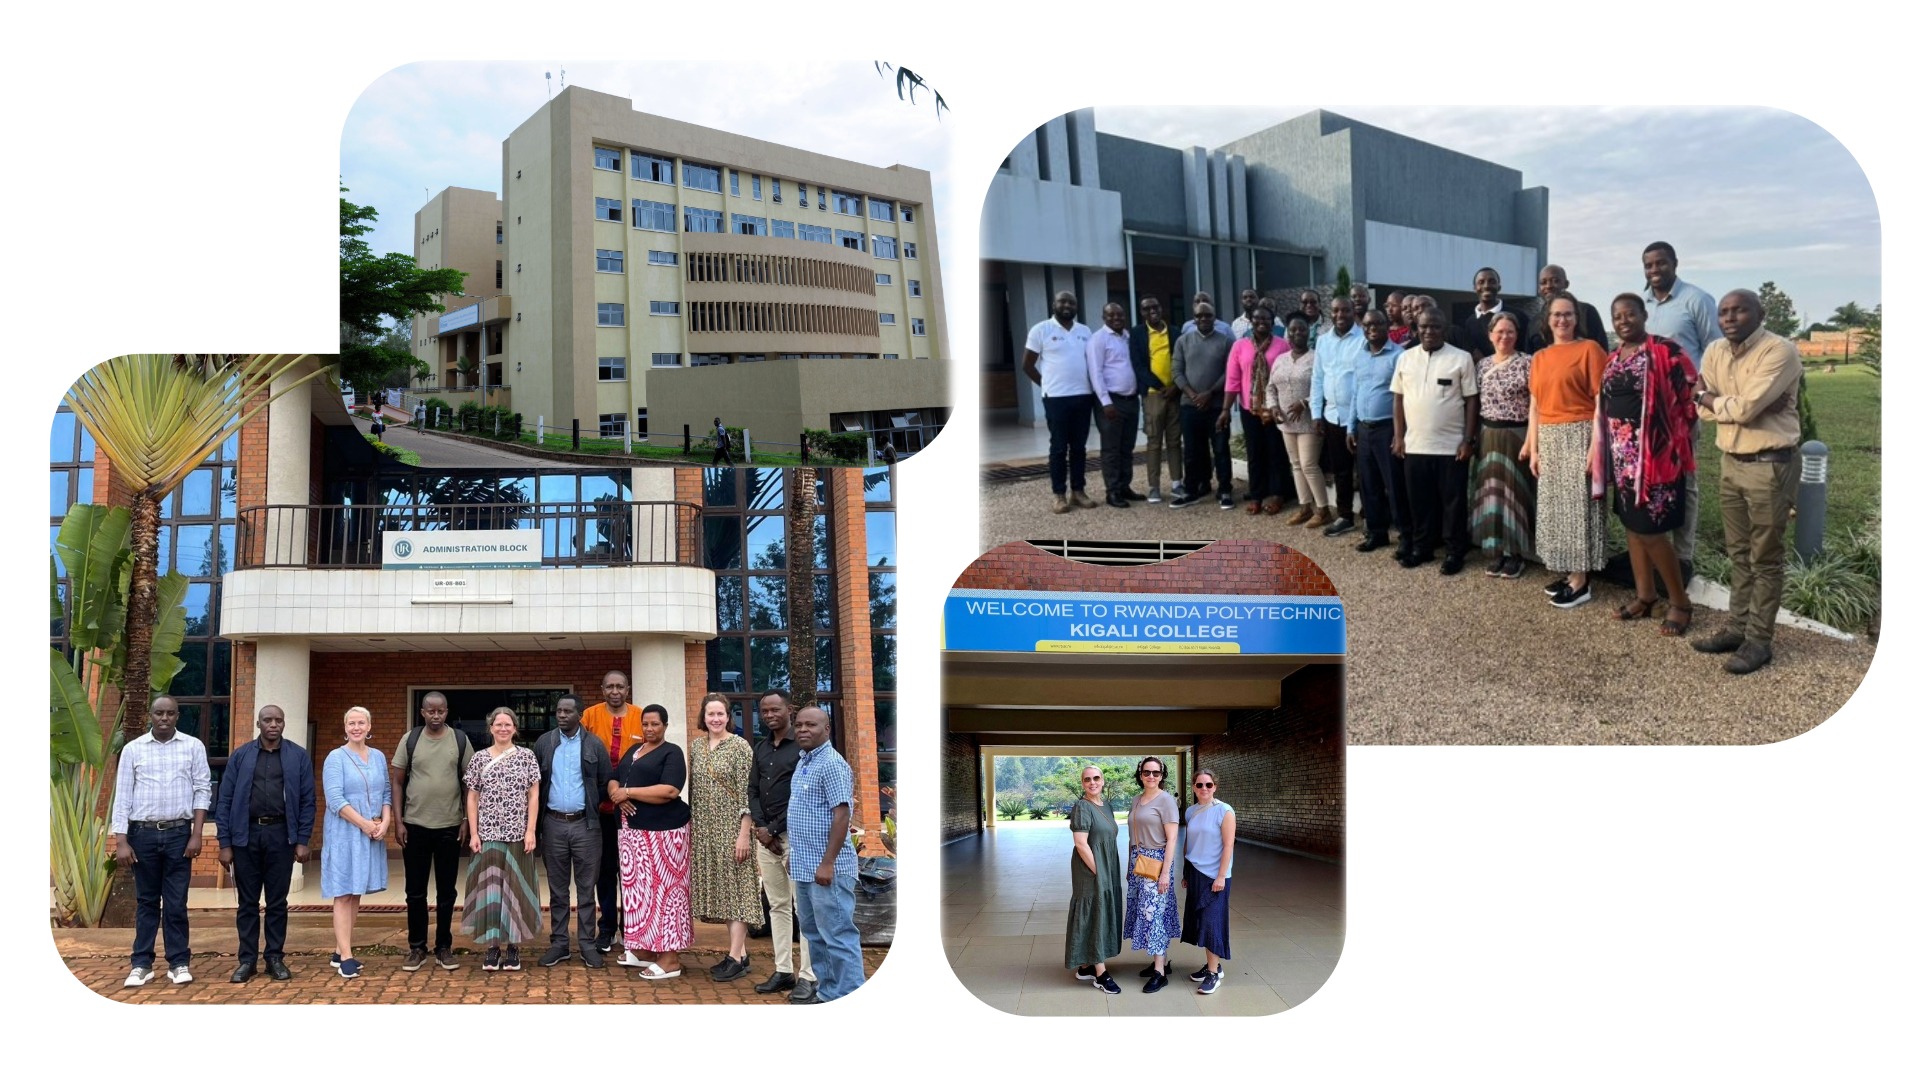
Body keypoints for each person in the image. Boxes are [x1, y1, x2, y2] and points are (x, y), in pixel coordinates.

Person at [1691, 288, 1804, 675]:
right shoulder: (1714, 352)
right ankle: (1737, 628)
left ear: (1761, 312)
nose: (1729, 317)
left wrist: (1721, 401)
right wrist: (1728, 405)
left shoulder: (1779, 351)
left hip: (1770, 466)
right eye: (1724, 312)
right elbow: (1707, 408)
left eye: (1739, 310)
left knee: (1765, 557)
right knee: (1738, 553)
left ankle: (1759, 641)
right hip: (1731, 462)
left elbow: (1742, 408)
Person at [1602, 293, 1698, 636]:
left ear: (1644, 315)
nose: (1624, 320)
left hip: (1656, 458)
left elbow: (1691, 392)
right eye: (1617, 316)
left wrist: (1671, 440)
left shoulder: (1665, 350)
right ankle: (1645, 596)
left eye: (1630, 314)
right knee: (1632, 526)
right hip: (1623, 458)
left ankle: (1680, 603)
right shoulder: (1613, 358)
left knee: (1653, 532)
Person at [111, 696, 212, 988]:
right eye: (159, 713)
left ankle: (179, 962)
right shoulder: (133, 750)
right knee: (146, 902)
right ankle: (141, 963)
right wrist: (121, 840)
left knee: (177, 903)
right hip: (142, 835)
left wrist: (196, 834)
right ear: (150, 715)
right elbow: (123, 796)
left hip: (180, 834)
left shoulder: (193, 746)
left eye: (170, 713)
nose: (164, 718)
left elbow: (202, 789)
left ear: (177, 716)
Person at [215, 704, 314, 983]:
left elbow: (308, 801)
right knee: (247, 903)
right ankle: (247, 960)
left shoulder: (298, 757)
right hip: (246, 837)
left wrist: (303, 840)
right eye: (267, 720)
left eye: (278, 720)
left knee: (277, 902)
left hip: (281, 837)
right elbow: (224, 801)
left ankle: (274, 958)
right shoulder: (241, 756)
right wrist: (225, 842)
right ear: (258, 724)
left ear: (284, 724)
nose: (273, 724)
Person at [1523, 293, 1611, 609]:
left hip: (1580, 433)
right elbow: (1534, 405)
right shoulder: (1540, 357)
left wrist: (1594, 447)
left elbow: (1601, 401)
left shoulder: (1590, 350)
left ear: (1577, 318)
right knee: (1556, 509)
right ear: (1548, 320)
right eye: (1557, 315)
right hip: (1548, 436)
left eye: (1569, 314)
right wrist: (1533, 449)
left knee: (1578, 510)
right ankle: (1569, 570)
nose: (1563, 320)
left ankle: (1581, 580)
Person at [1642, 241, 1723, 574]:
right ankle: (1654, 547)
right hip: (1647, 409)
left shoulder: (1697, 300)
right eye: (1648, 265)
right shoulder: (1642, 303)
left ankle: (1683, 554)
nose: (1654, 270)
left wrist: (1697, 392)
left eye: (1661, 263)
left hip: (1681, 410)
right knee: (1652, 476)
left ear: (1675, 263)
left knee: (1684, 479)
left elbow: (1714, 350)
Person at [390, 690, 471, 972]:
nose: (435, 716)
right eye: (430, 711)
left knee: (446, 892)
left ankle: (444, 947)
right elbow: (397, 782)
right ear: (422, 712)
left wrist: (466, 820)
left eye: (441, 711)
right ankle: (417, 948)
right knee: (415, 892)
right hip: (414, 827)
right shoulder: (410, 740)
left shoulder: (459, 740)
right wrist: (398, 822)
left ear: (447, 711)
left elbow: (469, 784)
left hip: (450, 826)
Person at [1393, 311, 1480, 574]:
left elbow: (1472, 400)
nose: (1429, 331)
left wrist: (1468, 439)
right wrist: (1398, 436)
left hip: (1451, 446)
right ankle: (1423, 548)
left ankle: (1455, 552)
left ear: (1444, 328)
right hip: (1415, 444)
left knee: (1452, 503)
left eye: (1435, 326)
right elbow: (1397, 398)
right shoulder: (1405, 358)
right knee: (1419, 501)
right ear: (1416, 329)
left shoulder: (1461, 358)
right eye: (1424, 327)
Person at [788, 705, 865, 1002]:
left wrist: (828, 862)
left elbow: (842, 815)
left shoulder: (832, 764)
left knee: (838, 935)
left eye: (811, 725)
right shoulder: (804, 761)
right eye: (799, 725)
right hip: (805, 867)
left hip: (827, 869)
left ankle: (849, 993)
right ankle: (829, 993)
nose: (803, 730)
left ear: (827, 729)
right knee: (814, 934)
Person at [610, 703, 693, 978]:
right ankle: (646, 949)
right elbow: (613, 779)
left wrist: (628, 792)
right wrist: (617, 794)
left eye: (655, 724)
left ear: (665, 726)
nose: (649, 728)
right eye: (645, 724)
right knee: (641, 896)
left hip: (665, 836)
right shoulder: (634, 751)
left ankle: (670, 959)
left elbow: (670, 790)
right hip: (634, 837)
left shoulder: (672, 752)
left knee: (667, 895)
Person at [748, 689, 818, 1002]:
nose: (770, 715)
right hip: (767, 839)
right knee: (777, 905)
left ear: (789, 709)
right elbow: (752, 790)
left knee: (803, 908)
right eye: (765, 711)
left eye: (775, 709)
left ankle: (809, 975)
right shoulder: (761, 748)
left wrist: (774, 830)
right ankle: (783, 969)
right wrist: (762, 830)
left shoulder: (801, 748)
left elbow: (800, 795)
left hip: (794, 838)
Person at [532, 694, 611, 968]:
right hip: (552, 824)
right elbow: (536, 783)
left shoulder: (594, 744)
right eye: (559, 711)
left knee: (587, 889)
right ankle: (560, 944)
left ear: (580, 715)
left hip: (586, 825)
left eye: (568, 711)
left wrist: (588, 806)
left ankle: (588, 944)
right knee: (558, 889)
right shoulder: (545, 743)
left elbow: (604, 781)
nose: (562, 715)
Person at [461, 706, 542, 972]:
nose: (503, 728)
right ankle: (492, 947)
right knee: (491, 891)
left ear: (515, 728)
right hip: (487, 835)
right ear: (491, 728)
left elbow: (533, 796)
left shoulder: (527, 757)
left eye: (508, 724)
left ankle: (513, 947)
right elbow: (472, 796)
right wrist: (474, 832)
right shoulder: (479, 758)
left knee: (515, 891)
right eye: (498, 724)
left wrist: (530, 830)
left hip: (517, 835)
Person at [690, 693, 765, 982]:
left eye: (720, 714)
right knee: (723, 892)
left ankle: (735, 956)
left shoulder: (740, 746)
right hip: (706, 830)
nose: (716, 719)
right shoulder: (697, 746)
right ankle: (740, 953)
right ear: (704, 717)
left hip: (733, 828)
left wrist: (744, 834)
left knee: (737, 892)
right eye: (711, 714)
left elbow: (748, 791)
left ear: (728, 716)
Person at [321, 706, 391, 980]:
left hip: (372, 830)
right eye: (351, 723)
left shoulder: (378, 757)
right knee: (343, 891)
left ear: (369, 726)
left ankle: (341, 949)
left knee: (357, 890)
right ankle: (346, 958)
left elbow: (386, 791)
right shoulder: (335, 758)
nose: (356, 727)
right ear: (345, 726)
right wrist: (364, 824)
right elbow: (335, 799)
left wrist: (385, 823)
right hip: (345, 832)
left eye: (361, 722)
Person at [1472, 311, 1537, 579]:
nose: (1504, 336)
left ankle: (1516, 553)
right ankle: (1495, 549)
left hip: (1517, 435)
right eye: (1499, 331)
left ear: (1517, 335)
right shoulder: (1483, 365)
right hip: (1488, 434)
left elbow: (1536, 404)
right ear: (1490, 335)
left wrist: (1532, 441)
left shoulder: (1527, 363)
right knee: (1492, 493)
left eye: (1510, 331)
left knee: (1515, 493)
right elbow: (1476, 404)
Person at [581, 670, 642, 953]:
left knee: (632, 872)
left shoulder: (641, 716)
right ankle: (606, 928)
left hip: (633, 809)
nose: (615, 691)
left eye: (620, 686)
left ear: (628, 689)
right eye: (610, 687)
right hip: (600, 809)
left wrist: (628, 794)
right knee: (604, 872)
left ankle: (632, 928)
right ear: (602, 689)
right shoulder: (590, 716)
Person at [1023, 290, 1098, 513]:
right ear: (1053, 304)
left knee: (1079, 447)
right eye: (1062, 301)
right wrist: (1046, 385)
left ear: (1076, 306)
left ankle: (1078, 491)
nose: (1067, 305)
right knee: (1058, 448)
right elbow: (1027, 365)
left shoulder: (1085, 331)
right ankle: (1059, 495)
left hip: (1083, 396)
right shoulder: (1041, 330)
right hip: (1056, 399)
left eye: (1071, 302)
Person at [1221, 305, 1293, 516]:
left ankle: (1278, 494)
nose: (1262, 322)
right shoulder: (1240, 346)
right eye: (1257, 318)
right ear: (1251, 322)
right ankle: (1256, 495)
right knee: (1255, 453)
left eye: (1266, 319)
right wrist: (1226, 409)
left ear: (1273, 322)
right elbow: (1232, 380)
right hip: (1249, 409)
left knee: (1276, 451)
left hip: (1275, 408)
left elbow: (1288, 375)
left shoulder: (1283, 345)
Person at [1349, 310, 1410, 557]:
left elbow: (1404, 398)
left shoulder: (1399, 356)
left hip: (1387, 429)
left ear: (1387, 326)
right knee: (1369, 485)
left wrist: (1400, 434)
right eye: (1366, 324)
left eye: (1377, 323)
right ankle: (1377, 533)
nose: (1371, 328)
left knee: (1395, 486)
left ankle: (1406, 536)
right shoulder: (1360, 355)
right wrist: (1350, 426)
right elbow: (1356, 392)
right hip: (1364, 430)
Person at [1265, 314, 1330, 526]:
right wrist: (1273, 406)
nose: (1297, 333)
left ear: (1309, 332)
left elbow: (1326, 388)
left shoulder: (1317, 358)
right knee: (1295, 465)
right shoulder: (1280, 359)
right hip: (1286, 422)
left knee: (1309, 464)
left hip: (1309, 421)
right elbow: (1270, 387)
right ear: (1287, 333)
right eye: (1293, 330)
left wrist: (1305, 401)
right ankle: (1305, 508)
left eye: (1301, 329)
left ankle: (1323, 510)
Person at [1170, 302, 1236, 509]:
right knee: (1191, 451)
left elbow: (1230, 372)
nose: (1204, 319)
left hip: (1216, 406)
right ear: (1194, 318)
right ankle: (1191, 490)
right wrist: (1193, 395)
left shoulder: (1225, 342)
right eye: (1199, 316)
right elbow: (1177, 372)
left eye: (1208, 316)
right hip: (1190, 406)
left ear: (1214, 317)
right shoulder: (1183, 341)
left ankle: (1224, 489)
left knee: (1221, 449)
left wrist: (1209, 393)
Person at [1125, 755, 1181, 993]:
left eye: (1155, 773)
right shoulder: (1137, 800)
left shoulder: (1166, 801)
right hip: (1139, 861)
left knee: (1153, 915)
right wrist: (1130, 865)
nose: (1150, 776)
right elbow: (1133, 833)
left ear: (1162, 776)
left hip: (1157, 862)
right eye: (1146, 772)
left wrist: (1166, 873)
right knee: (1150, 910)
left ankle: (1159, 972)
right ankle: (1162, 963)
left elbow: (1172, 839)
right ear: (1140, 775)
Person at [1067, 765, 1125, 996]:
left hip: (1106, 865)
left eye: (1096, 778)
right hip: (1091, 869)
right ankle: (1100, 973)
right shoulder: (1082, 806)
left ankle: (1086, 966)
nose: (1092, 782)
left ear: (1103, 781)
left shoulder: (1106, 805)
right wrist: (1099, 872)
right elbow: (1081, 843)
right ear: (1082, 783)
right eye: (1087, 779)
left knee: (1099, 911)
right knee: (1094, 912)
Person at [1311, 299, 1367, 537]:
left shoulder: (1364, 339)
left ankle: (1369, 515)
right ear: (1330, 314)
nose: (1340, 314)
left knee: (1365, 470)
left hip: (1359, 416)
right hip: (1332, 416)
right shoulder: (1323, 341)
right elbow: (1317, 379)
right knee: (1341, 470)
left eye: (1345, 309)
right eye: (1336, 310)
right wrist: (1316, 413)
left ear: (1353, 312)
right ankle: (1345, 516)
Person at [1180, 770, 1235, 995]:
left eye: (1208, 785)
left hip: (1215, 875)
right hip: (1195, 872)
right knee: (1200, 920)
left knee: (1212, 921)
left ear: (1215, 787)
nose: (1204, 789)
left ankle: (1213, 974)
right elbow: (1188, 843)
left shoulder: (1224, 810)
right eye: (1200, 785)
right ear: (1193, 787)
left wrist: (1221, 875)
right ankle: (1214, 965)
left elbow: (1228, 846)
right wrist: (1186, 872)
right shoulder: (1191, 811)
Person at [1130, 295, 1186, 504]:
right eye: (1146, 309)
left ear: (1161, 308)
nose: (1152, 311)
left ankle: (1176, 483)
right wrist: (1161, 387)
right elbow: (1139, 367)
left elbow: (1182, 361)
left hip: (1175, 394)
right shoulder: (1137, 334)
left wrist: (1175, 387)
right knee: (1154, 442)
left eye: (1155, 307)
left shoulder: (1175, 332)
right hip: (1154, 395)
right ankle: (1153, 487)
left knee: (1174, 440)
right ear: (1142, 313)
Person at [1087, 301, 1143, 508]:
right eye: (1111, 315)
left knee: (1127, 447)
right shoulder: (1098, 339)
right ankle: (1112, 491)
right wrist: (1105, 402)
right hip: (1111, 402)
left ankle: (1124, 486)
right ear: (1104, 317)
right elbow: (1096, 372)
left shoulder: (1129, 337)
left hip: (1130, 400)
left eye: (1119, 314)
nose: (1116, 318)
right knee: (1111, 449)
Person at [1530, 265, 1609, 350]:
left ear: (1566, 284)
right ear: (1538, 288)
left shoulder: (1586, 312)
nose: (1548, 286)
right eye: (1543, 282)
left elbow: (1602, 349)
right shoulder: (1534, 322)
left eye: (1555, 281)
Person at [1461, 267, 1530, 360]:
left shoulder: (1518, 316)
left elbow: (1527, 349)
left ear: (1499, 287)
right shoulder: (1470, 322)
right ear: (1474, 288)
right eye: (1481, 282)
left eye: (1492, 281)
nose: (1486, 286)